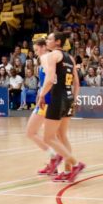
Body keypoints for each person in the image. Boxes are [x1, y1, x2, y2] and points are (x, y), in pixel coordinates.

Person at [38, 32, 85, 183]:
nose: (47, 41)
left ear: (57, 42)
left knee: (48, 137)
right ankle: (67, 171)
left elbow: (50, 79)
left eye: (50, 39)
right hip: (69, 98)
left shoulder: (53, 56)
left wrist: (42, 95)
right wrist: (75, 98)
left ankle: (76, 164)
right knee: (62, 136)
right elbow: (76, 83)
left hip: (57, 98)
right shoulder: (70, 58)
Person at [27, 39, 62, 176]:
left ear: (43, 47)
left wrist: (42, 94)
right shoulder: (48, 58)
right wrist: (39, 92)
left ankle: (55, 158)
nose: (36, 52)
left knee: (33, 132)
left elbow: (51, 78)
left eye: (37, 49)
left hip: (47, 100)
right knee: (43, 134)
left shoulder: (46, 58)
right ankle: (54, 159)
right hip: (46, 98)